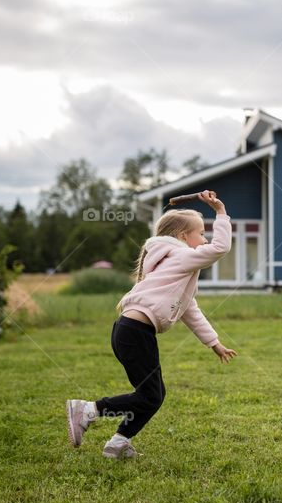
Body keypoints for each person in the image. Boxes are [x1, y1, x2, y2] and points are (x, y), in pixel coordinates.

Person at [65, 190, 238, 458]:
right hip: (135, 333)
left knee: (152, 394)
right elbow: (221, 248)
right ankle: (88, 410)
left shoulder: (173, 268)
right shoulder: (180, 256)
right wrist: (221, 212)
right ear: (183, 237)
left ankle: (119, 442)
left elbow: (190, 310)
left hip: (129, 331)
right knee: (150, 395)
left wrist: (214, 343)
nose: (204, 239)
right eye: (201, 234)